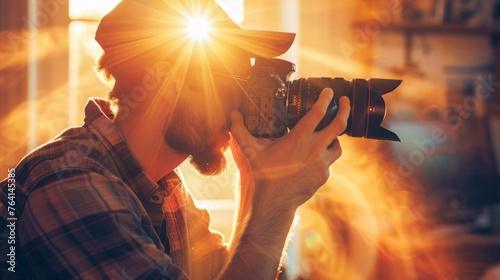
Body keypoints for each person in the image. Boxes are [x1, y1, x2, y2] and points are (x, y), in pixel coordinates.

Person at [0, 0, 350, 279]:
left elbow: (233, 273)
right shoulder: (69, 184)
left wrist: (260, 184)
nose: (241, 104)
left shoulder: (164, 191)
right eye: (233, 81)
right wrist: (278, 202)